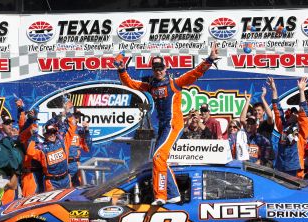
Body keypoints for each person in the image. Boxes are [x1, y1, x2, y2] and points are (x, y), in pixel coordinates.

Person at [115, 42, 218, 205]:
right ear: (152, 70)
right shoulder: (150, 85)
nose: (159, 71)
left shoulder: (174, 83)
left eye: (161, 68)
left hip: (174, 125)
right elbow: (130, 84)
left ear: (166, 67)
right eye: (156, 69)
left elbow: (194, 73)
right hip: (164, 127)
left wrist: (209, 60)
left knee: (158, 156)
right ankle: (174, 193)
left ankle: (162, 195)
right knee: (159, 160)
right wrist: (121, 70)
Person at [27, 102, 76, 192]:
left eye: (53, 132)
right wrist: (33, 136)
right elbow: (30, 152)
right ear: (44, 135)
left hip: (66, 179)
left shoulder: (63, 141)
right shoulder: (41, 148)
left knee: (70, 200)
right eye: (49, 133)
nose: (52, 135)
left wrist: (68, 112)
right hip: (52, 182)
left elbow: (72, 126)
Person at [269, 77, 308, 178]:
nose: (293, 114)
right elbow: (277, 110)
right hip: (281, 167)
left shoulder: (302, 129)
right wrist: (274, 90)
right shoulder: (283, 126)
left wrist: (301, 91)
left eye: (296, 113)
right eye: (291, 112)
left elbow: (304, 113)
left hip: (295, 169)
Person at [0, 115, 17, 204]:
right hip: (6, 179)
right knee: (6, 208)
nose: (10, 125)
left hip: (12, 177)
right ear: (0, 126)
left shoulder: (10, 137)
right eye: (7, 123)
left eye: (10, 123)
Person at [68, 110, 92, 186]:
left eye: (79, 116)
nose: (77, 118)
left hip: (75, 164)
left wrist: (87, 131)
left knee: (77, 188)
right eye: (75, 116)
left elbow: (87, 148)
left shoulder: (80, 130)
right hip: (63, 164)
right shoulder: (62, 129)